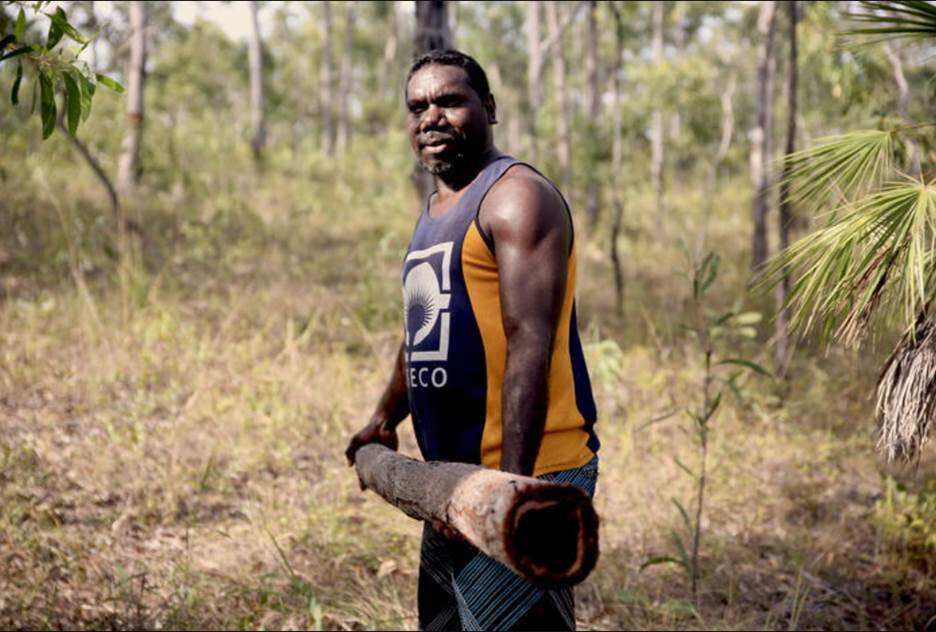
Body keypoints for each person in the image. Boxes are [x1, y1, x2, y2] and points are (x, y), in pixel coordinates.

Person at [345, 49, 600, 631]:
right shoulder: (437, 207)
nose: (430, 116)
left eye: (450, 100)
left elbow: (529, 342)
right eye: (417, 107)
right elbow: (423, 330)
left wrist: (507, 492)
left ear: (488, 108)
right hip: (454, 480)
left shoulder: (515, 197)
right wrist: (385, 418)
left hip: (532, 473)